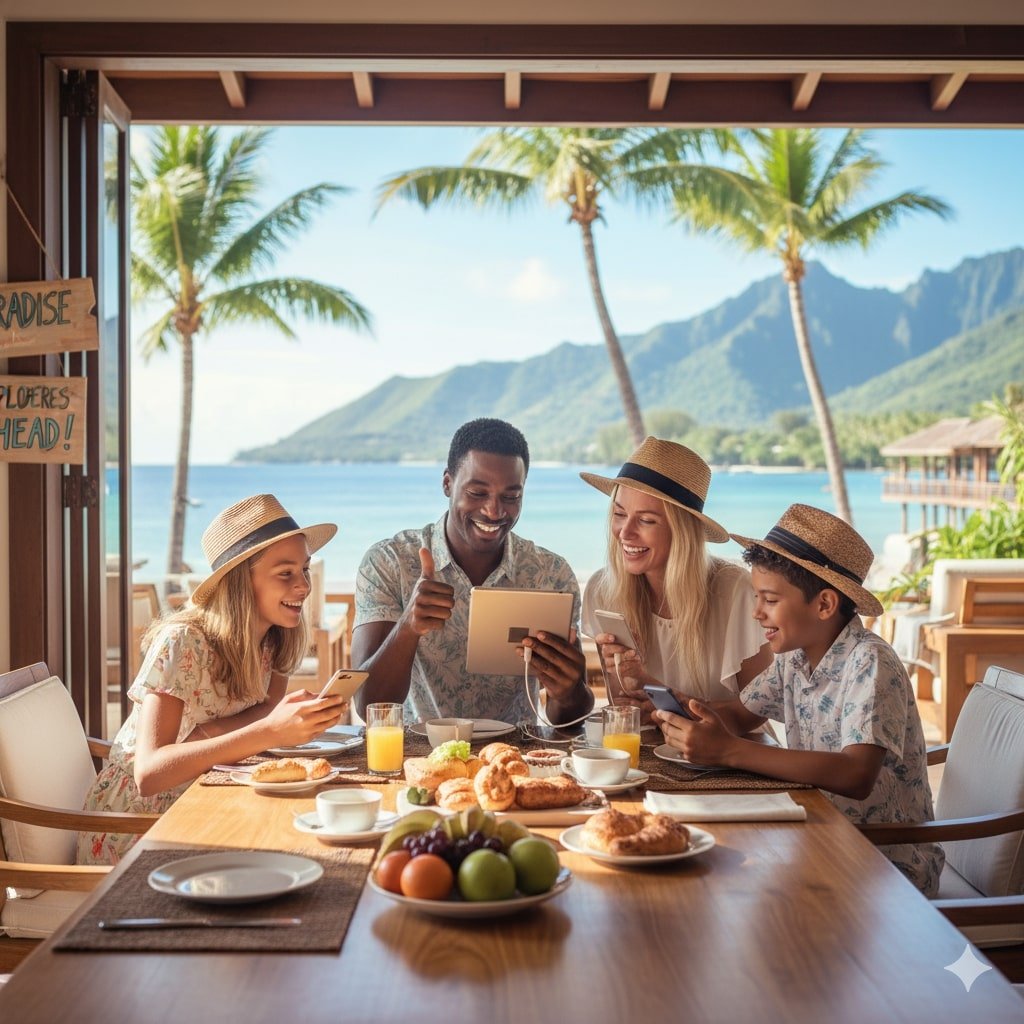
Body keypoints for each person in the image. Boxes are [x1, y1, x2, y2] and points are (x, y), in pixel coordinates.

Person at [654, 503, 943, 895]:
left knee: (723, 886)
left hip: (883, 862)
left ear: (824, 604)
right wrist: (677, 708)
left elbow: (855, 775)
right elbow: (739, 714)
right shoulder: (795, 658)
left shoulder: (870, 662)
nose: (756, 613)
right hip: (822, 834)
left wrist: (728, 752)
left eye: (770, 600)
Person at [77, 494, 347, 865]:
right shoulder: (183, 641)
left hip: (206, 798)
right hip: (138, 826)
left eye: (305, 569)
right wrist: (270, 731)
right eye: (285, 573)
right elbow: (150, 773)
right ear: (240, 582)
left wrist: (281, 722)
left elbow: (268, 709)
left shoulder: (275, 637)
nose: (303, 585)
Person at [352, 417, 590, 725]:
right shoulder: (389, 562)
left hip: (513, 761)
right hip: (418, 761)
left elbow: (570, 718)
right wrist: (408, 627)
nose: (494, 511)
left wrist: (567, 692)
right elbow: (367, 704)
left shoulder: (551, 574)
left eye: (511, 497)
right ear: (447, 483)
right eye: (477, 493)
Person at [579, 437, 771, 719]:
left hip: (725, 760)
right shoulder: (603, 590)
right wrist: (624, 677)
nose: (624, 532)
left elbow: (756, 713)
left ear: (682, 531)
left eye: (646, 520)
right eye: (620, 514)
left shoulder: (735, 592)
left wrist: (654, 688)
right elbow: (626, 710)